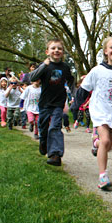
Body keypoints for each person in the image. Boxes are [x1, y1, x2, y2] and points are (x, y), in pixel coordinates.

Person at [73, 36, 112, 190]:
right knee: (106, 141)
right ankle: (103, 176)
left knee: (105, 146)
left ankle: (96, 143)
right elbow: (83, 90)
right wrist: (76, 107)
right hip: (99, 111)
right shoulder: (97, 70)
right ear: (106, 51)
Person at [30, 38, 74, 166]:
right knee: (43, 127)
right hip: (44, 103)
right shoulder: (44, 67)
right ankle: (43, 142)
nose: (56, 50)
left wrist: (74, 95)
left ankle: (55, 154)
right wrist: (44, 65)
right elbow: (32, 77)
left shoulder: (65, 67)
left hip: (58, 104)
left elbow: (71, 80)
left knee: (55, 127)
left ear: (63, 52)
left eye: (59, 48)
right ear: (47, 52)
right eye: (53, 48)